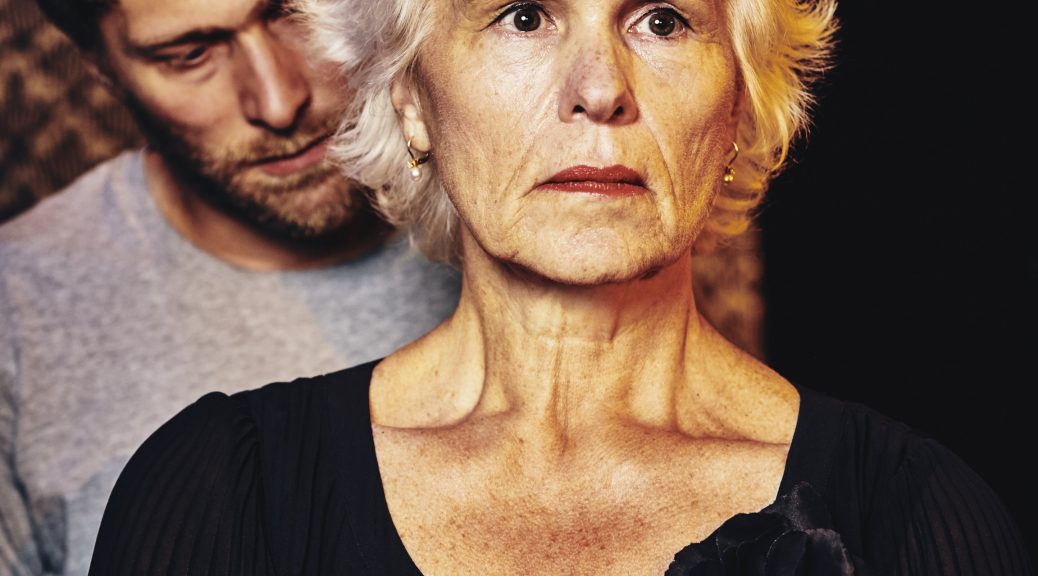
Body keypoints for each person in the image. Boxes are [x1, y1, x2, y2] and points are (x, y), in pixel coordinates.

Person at [88, 0, 1033, 574]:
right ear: (410, 101)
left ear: (740, 103)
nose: (599, 89)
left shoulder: (912, 516)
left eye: (663, 19)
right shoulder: (225, 490)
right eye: (523, 15)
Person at [0, 0, 461, 573]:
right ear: (103, 71)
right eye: (191, 55)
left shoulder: (537, 223)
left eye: (297, 13)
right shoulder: (15, 317)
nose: (279, 102)